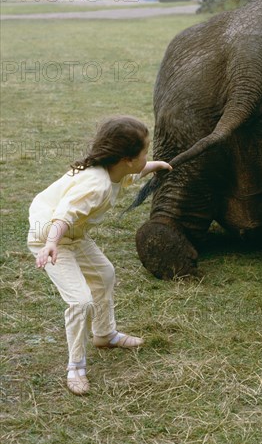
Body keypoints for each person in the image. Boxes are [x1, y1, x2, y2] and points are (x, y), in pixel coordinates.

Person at [27, 115, 172, 395]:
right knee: (80, 302)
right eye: (145, 152)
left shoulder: (113, 171)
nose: (148, 155)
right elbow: (63, 215)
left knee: (104, 274)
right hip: (51, 236)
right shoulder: (96, 185)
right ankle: (76, 367)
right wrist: (51, 244)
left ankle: (105, 335)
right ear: (127, 158)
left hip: (72, 234)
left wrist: (155, 166)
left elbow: (131, 175)